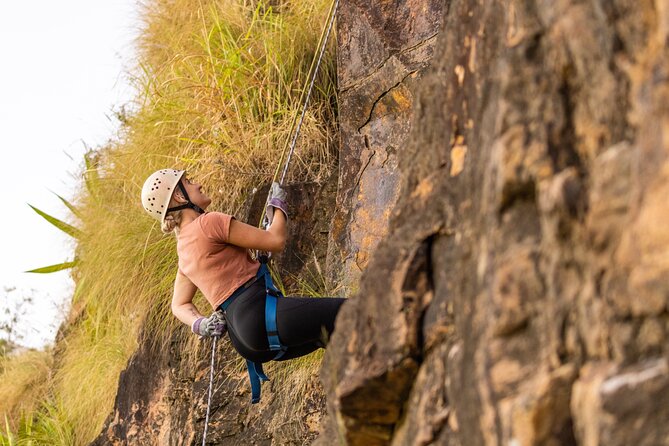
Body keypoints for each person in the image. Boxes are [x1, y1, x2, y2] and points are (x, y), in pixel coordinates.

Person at [141, 168, 345, 368]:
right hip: (259, 313)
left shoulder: (184, 250)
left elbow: (179, 305)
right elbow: (275, 240)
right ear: (179, 195)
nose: (198, 184)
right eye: (189, 182)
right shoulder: (209, 223)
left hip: (245, 339)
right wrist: (280, 206)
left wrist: (201, 324)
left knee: (335, 337)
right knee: (352, 311)